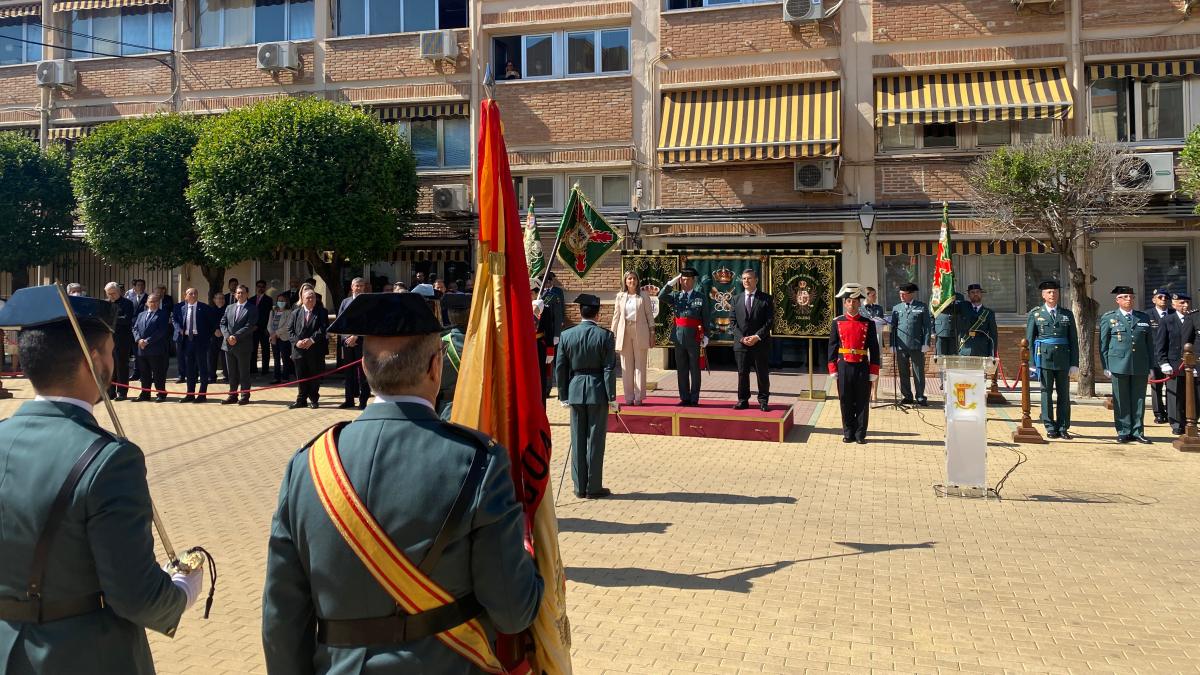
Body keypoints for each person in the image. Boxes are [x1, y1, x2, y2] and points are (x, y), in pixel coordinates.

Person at [262, 292, 543, 674]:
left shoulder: (308, 465)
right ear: (435, 367)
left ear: (363, 367)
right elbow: (513, 612)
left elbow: (281, 620)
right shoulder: (479, 461)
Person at [0, 286, 202, 674]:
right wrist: (179, 592)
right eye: (111, 350)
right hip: (83, 656)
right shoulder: (111, 459)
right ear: (93, 360)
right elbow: (135, 596)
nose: (114, 359)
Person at [556, 293, 618, 498]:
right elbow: (609, 369)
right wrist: (612, 397)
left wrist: (563, 395)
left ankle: (579, 487)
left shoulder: (567, 335)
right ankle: (593, 487)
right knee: (595, 441)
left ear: (579, 312)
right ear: (598, 314)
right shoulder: (605, 335)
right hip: (598, 390)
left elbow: (561, 368)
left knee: (577, 438)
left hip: (575, 389)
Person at [1026, 279, 1079, 440]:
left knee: (1064, 395)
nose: (1052, 294)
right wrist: (1032, 363)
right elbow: (1029, 339)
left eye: (1055, 292)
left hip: (1063, 359)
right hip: (1044, 359)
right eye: (1049, 292)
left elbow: (1073, 340)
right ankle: (1050, 426)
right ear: (1043, 295)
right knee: (1046, 393)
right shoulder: (1036, 314)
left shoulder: (1066, 314)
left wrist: (1074, 363)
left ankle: (1063, 427)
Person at [828, 283, 881, 444]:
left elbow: (874, 348)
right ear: (844, 303)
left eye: (855, 301)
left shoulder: (868, 323)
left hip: (862, 365)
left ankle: (860, 434)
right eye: (849, 301)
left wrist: (874, 369)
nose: (852, 304)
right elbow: (832, 346)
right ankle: (848, 432)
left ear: (859, 303)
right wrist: (832, 367)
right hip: (844, 365)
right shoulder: (837, 322)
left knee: (862, 400)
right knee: (845, 399)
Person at [1100, 286, 1154, 444]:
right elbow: (1103, 344)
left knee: (1139, 399)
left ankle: (1137, 431)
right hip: (1118, 364)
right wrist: (1106, 366)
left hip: (1139, 364)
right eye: (1124, 297)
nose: (1128, 299)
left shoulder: (1142, 317)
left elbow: (1149, 344)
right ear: (1117, 300)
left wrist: (1151, 365)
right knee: (1121, 399)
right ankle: (1123, 431)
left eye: (1131, 296)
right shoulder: (1109, 318)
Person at [658, 267, 709, 406]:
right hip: (679, 337)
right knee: (681, 368)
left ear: (693, 280)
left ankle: (694, 398)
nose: (685, 282)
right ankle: (684, 397)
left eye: (688, 279)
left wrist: (707, 336)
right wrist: (670, 283)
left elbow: (706, 318)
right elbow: (661, 296)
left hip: (694, 337)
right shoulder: (676, 296)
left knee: (694, 369)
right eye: (683, 279)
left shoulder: (700, 297)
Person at [731, 268, 774, 411]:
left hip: (759, 344)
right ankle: (743, 400)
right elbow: (732, 323)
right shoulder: (736, 299)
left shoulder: (766, 299)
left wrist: (757, 337)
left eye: (749, 278)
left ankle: (763, 401)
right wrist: (742, 338)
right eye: (744, 278)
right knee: (742, 373)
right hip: (741, 345)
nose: (746, 281)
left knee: (762, 374)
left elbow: (769, 322)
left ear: (756, 280)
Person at [610, 271, 654, 406]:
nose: (632, 281)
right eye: (629, 279)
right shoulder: (620, 296)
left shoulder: (644, 296)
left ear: (637, 281)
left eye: (634, 278)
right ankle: (629, 397)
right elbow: (616, 316)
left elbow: (649, 315)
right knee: (626, 366)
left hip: (640, 331)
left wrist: (652, 332)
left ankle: (639, 397)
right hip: (624, 331)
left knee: (640, 365)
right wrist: (612, 333)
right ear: (625, 281)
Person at [889, 282, 931, 406]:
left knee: (918, 372)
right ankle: (907, 396)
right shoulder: (897, 308)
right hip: (901, 346)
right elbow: (893, 327)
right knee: (903, 372)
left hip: (917, 345)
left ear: (911, 294)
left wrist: (926, 343)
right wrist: (893, 344)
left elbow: (927, 326)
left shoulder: (921, 307)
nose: (901, 296)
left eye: (904, 294)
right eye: (900, 294)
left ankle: (920, 396)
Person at [1156, 292, 1191, 434]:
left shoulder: (1194, 318)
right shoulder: (1167, 320)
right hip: (1174, 363)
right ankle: (1176, 424)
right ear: (1174, 304)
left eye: (1188, 302)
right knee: (1174, 395)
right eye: (1182, 303)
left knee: (1192, 395)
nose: (1186, 305)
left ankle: (1190, 422)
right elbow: (1160, 344)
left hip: (1191, 364)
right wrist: (1164, 362)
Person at [288, 288, 328, 409]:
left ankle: (314, 399)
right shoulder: (295, 313)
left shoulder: (322, 312)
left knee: (314, 375)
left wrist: (311, 340)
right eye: (308, 297)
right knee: (301, 376)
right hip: (299, 351)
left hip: (315, 350)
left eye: (313, 297)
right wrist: (297, 342)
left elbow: (323, 328)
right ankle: (301, 400)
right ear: (303, 299)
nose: (311, 299)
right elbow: (290, 330)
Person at [336, 277, 372, 409]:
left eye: (361, 286)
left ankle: (363, 401)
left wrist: (356, 336)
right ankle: (349, 400)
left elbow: (369, 324)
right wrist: (346, 338)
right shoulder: (345, 302)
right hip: (347, 344)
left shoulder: (368, 302)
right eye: (357, 285)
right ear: (352, 287)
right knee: (348, 373)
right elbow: (340, 322)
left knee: (363, 373)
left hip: (361, 343)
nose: (359, 288)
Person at [220, 284, 258, 405]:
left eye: (242, 292)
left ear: (247, 294)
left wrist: (235, 336)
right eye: (238, 293)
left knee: (244, 372)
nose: (240, 295)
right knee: (231, 373)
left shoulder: (252, 308)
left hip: (243, 345)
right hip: (228, 345)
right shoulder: (229, 307)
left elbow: (250, 325)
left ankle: (245, 396)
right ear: (235, 294)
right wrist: (227, 336)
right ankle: (232, 395)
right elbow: (223, 323)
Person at [173, 288, 213, 403]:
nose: (193, 295)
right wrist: (179, 330)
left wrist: (206, 337)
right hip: (187, 341)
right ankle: (190, 394)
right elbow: (175, 320)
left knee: (202, 368)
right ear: (185, 296)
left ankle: (202, 394)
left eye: (195, 293)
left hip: (200, 341)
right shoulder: (180, 308)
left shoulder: (204, 308)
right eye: (191, 293)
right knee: (189, 369)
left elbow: (212, 324)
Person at [132, 294, 170, 403]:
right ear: (147, 303)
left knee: (158, 373)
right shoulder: (141, 315)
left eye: (155, 301)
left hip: (156, 348)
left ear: (159, 303)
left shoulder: (163, 314)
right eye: (151, 301)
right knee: (144, 373)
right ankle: (145, 393)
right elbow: (135, 328)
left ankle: (161, 393)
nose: (153, 303)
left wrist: (147, 341)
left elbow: (161, 331)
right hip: (142, 349)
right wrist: (139, 340)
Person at [438, 292, 470, 419]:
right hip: (484, 409)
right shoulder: (488, 343)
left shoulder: (439, 344)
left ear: (450, 315)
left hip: (449, 412)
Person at [103, 281, 136, 401]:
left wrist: (111, 319)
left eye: (113, 293)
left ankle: (122, 392)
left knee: (122, 365)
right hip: (107, 340)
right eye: (108, 293)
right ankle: (110, 391)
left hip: (122, 339)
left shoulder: (127, 303)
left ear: (119, 292)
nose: (111, 296)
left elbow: (127, 320)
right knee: (109, 366)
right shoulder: (105, 304)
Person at [1147, 289, 1173, 424]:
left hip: (1171, 357)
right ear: (1154, 300)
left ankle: (1171, 412)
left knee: (1172, 387)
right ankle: (1159, 413)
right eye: (1160, 297)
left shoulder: (1174, 314)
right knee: (1156, 387)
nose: (1163, 299)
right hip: (1154, 357)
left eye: (1166, 297)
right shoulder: (1147, 315)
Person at [532, 280, 558, 404]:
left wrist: (550, 349)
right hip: (524, 346)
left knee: (540, 378)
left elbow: (549, 329)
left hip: (538, 346)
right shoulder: (521, 306)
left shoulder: (545, 309)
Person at [953, 284, 998, 357]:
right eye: (972, 292)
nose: (975, 294)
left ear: (981, 294)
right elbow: (950, 304)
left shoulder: (989, 313)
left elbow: (993, 336)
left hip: (982, 351)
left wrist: (993, 354)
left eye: (978, 292)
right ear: (968, 295)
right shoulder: (963, 308)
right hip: (965, 351)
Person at [268, 293, 295, 384]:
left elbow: (287, 326)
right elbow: (269, 325)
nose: (281, 302)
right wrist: (272, 334)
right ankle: (276, 377)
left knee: (285, 358)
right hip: (274, 338)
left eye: (282, 300)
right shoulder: (273, 311)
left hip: (284, 338)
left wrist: (276, 333)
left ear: (286, 302)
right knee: (276, 358)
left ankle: (285, 377)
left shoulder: (289, 312)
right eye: (279, 300)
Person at [252, 280, 273, 375]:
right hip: (252, 329)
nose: (260, 288)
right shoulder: (251, 299)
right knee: (253, 349)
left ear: (265, 288)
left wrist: (262, 326)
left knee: (265, 350)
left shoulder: (269, 300)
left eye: (262, 286)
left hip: (264, 329)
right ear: (256, 287)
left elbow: (267, 315)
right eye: (259, 286)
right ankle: (252, 368)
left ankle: (265, 369)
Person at [207, 291, 227, 384]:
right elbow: (208, 323)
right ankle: (212, 377)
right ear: (214, 300)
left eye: (222, 298)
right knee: (212, 357)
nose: (220, 300)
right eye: (218, 298)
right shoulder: (210, 310)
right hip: (213, 336)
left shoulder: (228, 309)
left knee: (225, 357)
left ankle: (227, 376)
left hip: (224, 336)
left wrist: (222, 331)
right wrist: (215, 330)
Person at [934, 292, 961, 357]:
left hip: (954, 330)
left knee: (953, 358)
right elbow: (931, 313)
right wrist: (932, 331)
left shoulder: (959, 296)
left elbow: (961, 310)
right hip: (940, 331)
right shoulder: (936, 295)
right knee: (941, 357)